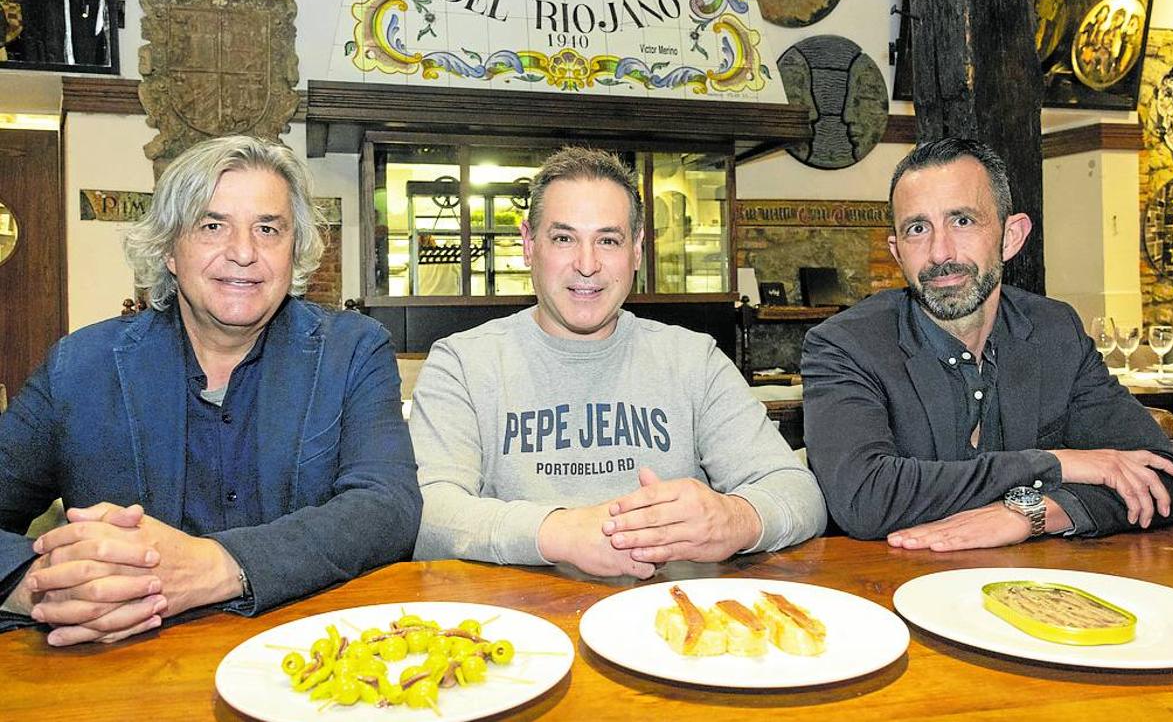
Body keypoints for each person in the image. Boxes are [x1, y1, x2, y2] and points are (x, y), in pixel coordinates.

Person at [0, 136, 421, 644]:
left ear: (294, 250)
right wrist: (40, 586)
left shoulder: (353, 351)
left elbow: (387, 509)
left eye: (268, 229)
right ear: (169, 250)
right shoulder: (80, 367)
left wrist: (217, 566)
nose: (243, 253)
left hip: (311, 662)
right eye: (212, 225)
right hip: (128, 674)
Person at [410, 146, 826, 578]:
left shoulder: (692, 360)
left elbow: (799, 493)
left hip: (671, 617)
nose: (587, 265)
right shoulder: (461, 362)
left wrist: (734, 519)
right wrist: (560, 532)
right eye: (563, 238)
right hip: (517, 623)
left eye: (608, 240)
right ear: (529, 245)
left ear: (637, 251)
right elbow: (429, 514)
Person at [801, 137, 1173, 550]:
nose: (940, 252)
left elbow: (1169, 478)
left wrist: (1035, 514)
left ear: (1011, 237)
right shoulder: (846, 345)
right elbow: (865, 498)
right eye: (917, 229)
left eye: (963, 221)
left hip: (1044, 589)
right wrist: (1057, 463)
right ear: (897, 252)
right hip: (892, 586)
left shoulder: (1053, 330)